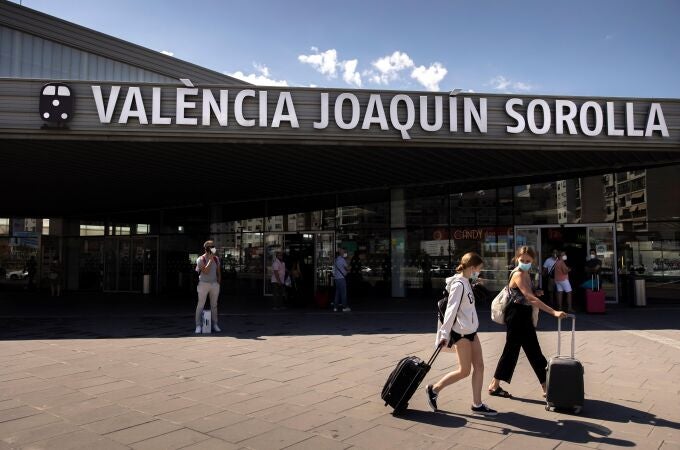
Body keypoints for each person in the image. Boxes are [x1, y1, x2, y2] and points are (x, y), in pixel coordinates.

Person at [488, 246, 567, 399]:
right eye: (522, 260)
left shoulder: (526, 273)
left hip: (521, 314)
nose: (524, 262)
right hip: (517, 315)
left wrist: (535, 292)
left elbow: (527, 294)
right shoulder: (519, 274)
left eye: (528, 261)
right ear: (516, 258)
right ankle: (546, 386)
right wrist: (553, 312)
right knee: (526, 351)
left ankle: (495, 385)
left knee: (520, 351)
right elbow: (530, 298)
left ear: (533, 261)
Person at [426, 252, 497, 416]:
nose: (480, 272)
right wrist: (444, 334)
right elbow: (451, 310)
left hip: (472, 331)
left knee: (479, 367)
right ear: (472, 268)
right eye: (479, 269)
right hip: (462, 334)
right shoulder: (459, 284)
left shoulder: (466, 281)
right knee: (464, 370)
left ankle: (477, 404)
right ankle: (434, 389)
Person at [195, 240, 221, 333]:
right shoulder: (200, 259)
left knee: (214, 305)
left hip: (214, 284)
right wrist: (210, 259)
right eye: (210, 247)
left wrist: (218, 282)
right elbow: (205, 271)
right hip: (203, 284)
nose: (212, 248)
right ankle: (198, 325)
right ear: (206, 248)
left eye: (213, 246)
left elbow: (218, 271)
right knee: (200, 304)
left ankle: (215, 324)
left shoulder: (216, 259)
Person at [333, 248, 350, 312]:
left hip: (336, 279)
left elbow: (334, 270)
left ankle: (335, 307)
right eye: (344, 252)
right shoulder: (342, 260)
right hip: (341, 278)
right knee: (343, 293)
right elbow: (347, 268)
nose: (345, 253)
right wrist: (348, 262)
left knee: (337, 293)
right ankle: (344, 307)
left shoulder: (336, 259)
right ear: (342, 253)